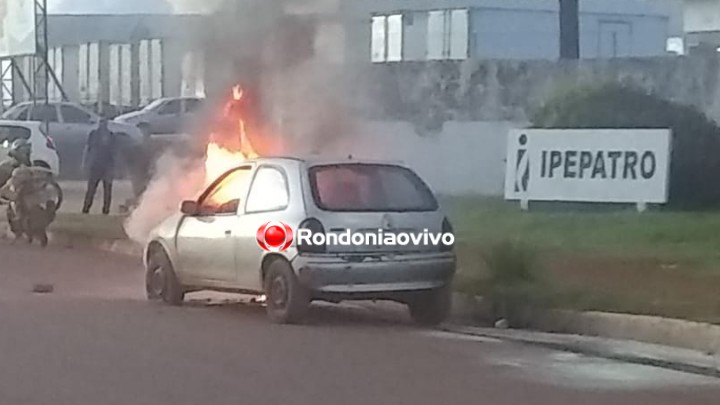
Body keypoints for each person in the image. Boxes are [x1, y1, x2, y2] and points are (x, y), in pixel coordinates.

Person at [82, 119, 116, 214]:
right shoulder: (93, 135)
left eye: (104, 121)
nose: (103, 124)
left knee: (107, 190)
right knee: (91, 189)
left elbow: (114, 152)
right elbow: (87, 149)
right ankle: (86, 209)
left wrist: (113, 168)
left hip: (107, 165)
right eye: (101, 121)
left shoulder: (112, 136)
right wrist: (85, 163)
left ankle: (106, 210)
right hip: (95, 164)